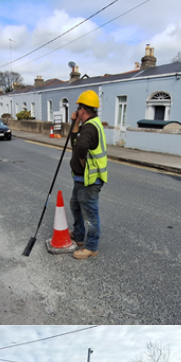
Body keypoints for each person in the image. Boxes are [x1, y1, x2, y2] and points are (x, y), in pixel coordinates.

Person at [67, 89, 107, 260]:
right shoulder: (89, 124)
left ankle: (91, 247)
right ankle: (78, 235)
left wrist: (82, 161)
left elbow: (81, 146)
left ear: (83, 109)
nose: (77, 111)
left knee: (90, 215)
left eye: (79, 108)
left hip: (89, 180)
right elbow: (74, 142)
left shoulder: (90, 127)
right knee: (75, 205)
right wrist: (75, 122)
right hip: (81, 179)